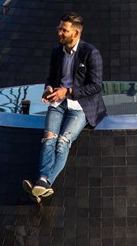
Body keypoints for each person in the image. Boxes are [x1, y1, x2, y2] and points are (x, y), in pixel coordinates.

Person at [22, 13, 106, 203]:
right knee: (48, 139)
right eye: (59, 28)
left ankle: (45, 182)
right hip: (58, 102)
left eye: (64, 30)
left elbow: (96, 86)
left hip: (81, 105)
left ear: (75, 33)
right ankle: (43, 182)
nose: (59, 32)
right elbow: (51, 78)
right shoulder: (56, 52)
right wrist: (49, 89)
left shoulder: (91, 53)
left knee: (62, 142)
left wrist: (67, 91)